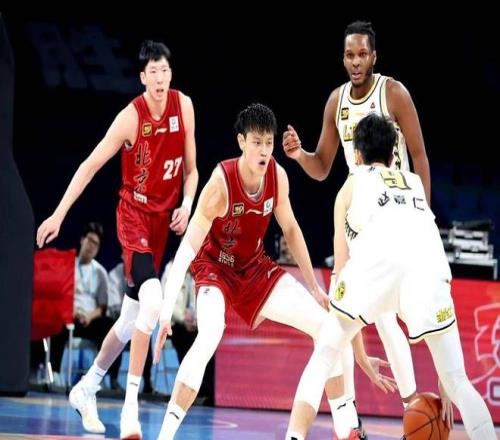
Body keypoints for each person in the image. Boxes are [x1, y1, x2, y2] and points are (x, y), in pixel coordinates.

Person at [153, 103, 392, 440]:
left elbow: (291, 229)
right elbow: (184, 254)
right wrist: (166, 314)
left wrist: (314, 287)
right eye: (257, 142)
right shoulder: (219, 185)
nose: (264, 151)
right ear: (241, 142)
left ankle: (346, 428)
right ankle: (164, 435)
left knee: (327, 327)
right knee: (210, 334)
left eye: (268, 142)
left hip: (254, 268)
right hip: (214, 269)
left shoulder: (277, 177)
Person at [36, 40, 198, 438]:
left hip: (161, 225)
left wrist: (187, 203)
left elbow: (192, 171)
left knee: (129, 319)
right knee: (154, 300)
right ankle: (131, 410)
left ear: (171, 74)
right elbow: (90, 165)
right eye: (152, 72)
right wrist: (59, 213)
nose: (160, 78)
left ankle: (86, 387)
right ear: (142, 78)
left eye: (165, 71)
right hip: (133, 218)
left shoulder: (184, 107)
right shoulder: (130, 118)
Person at [283, 20, 428, 436]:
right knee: (347, 318)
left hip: (395, 212)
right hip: (357, 212)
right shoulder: (336, 101)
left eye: (363, 54)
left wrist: (424, 215)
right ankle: (355, 418)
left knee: (382, 318)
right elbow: (322, 166)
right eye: (350, 55)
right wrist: (299, 155)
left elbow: (419, 155)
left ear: (374, 56)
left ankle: (408, 404)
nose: (356, 61)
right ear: (343, 58)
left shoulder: (393, 93)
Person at [325, 113, 495, 440]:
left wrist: (361, 356)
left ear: (357, 154)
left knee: (351, 331)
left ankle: (364, 414)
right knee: (457, 380)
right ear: (393, 153)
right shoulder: (407, 186)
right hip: (421, 276)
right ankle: (359, 417)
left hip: (386, 274)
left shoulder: (358, 190)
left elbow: (342, 287)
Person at [47, 222, 121, 388]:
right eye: (90, 240)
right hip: (70, 316)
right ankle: (55, 374)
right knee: (55, 322)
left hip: (90, 319)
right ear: (82, 240)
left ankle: (110, 378)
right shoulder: (68, 265)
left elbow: (103, 306)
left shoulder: (100, 272)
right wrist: (72, 311)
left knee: (111, 327)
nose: (92, 246)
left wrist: (89, 316)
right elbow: (61, 296)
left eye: (96, 244)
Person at [161, 260, 214, 404]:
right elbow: (168, 303)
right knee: (187, 341)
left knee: (208, 340)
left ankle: (208, 391)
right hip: (174, 324)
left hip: (191, 324)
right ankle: (192, 390)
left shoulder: (194, 273)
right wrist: (184, 319)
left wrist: (196, 321)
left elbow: (197, 302)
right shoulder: (171, 271)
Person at [108, 256, 154, 393]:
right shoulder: (114, 275)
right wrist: (129, 316)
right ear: (123, 256)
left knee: (145, 331)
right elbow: (114, 306)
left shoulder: (143, 276)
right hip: (119, 319)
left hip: (137, 322)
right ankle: (113, 379)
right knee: (117, 328)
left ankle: (147, 381)